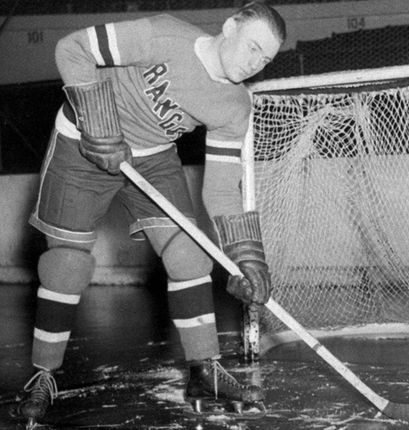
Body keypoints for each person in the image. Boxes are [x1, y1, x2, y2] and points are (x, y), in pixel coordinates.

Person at [16, 2, 285, 425]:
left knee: (189, 255)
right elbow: (71, 49)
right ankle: (44, 375)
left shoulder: (235, 104)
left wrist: (244, 254)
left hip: (153, 160)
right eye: (252, 47)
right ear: (230, 26)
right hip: (83, 147)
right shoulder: (164, 34)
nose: (254, 63)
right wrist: (100, 124)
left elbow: (219, 189)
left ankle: (204, 372)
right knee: (65, 265)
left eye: (265, 59)